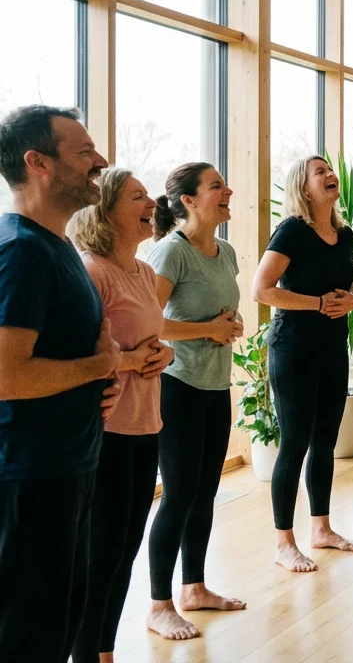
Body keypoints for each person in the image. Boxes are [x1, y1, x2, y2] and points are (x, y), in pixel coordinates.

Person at [0, 105, 122, 662]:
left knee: (58, 627)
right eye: (85, 152)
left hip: (69, 464)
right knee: (30, 635)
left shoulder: (57, 246)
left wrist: (96, 382)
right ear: (38, 163)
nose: (101, 161)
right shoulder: (21, 252)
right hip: (30, 476)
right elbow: (6, 374)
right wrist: (96, 371)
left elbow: (62, 357)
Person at [70, 169, 176, 663]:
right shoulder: (92, 270)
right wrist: (135, 359)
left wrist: (166, 353)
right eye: (137, 196)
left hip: (146, 425)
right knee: (100, 555)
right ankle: (86, 652)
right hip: (108, 431)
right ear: (106, 211)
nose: (150, 201)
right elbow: (86, 351)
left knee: (125, 552)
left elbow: (154, 333)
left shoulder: (144, 272)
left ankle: (104, 651)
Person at [145, 162, 246, 639]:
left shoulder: (225, 251)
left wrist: (230, 324)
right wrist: (209, 329)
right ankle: (159, 604)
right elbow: (152, 323)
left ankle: (194, 588)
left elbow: (222, 309)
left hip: (215, 385)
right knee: (179, 494)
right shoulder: (171, 252)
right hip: (178, 386)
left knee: (204, 492)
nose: (228, 192)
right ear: (188, 200)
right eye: (216, 187)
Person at [252, 156, 353, 573]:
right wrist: (316, 304)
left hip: (333, 345)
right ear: (303, 185)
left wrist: (351, 299)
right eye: (321, 172)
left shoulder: (345, 233)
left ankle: (321, 528)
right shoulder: (291, 231)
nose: (331, 175)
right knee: (295, 442)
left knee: (325, 441)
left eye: (331, 169)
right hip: (294, 347)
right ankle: (284, 542)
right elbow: (263, 290)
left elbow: (347, 283)